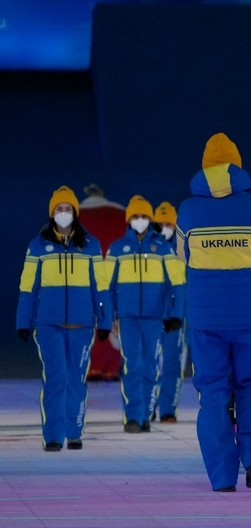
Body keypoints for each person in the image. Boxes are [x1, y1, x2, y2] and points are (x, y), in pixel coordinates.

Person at [175, 132, 251, 491]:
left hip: (207, 318)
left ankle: (222, 477)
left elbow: (184, 256)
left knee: (212, 392)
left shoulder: (188, 210)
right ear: (237, 165)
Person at [16, 185, 112, 451]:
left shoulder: (91, 245)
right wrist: (23, 321)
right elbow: (28, 287)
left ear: (75, 213)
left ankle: (75, 431)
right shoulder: (37, 245)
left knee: (75, 379)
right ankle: (54, 436)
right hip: (48, 326)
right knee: (56, 378)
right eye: (59, 209)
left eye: (68, 209)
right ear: (52, 213)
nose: (63, 213)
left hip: (81, 326)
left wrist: (104, 321)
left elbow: (100, 287)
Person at [105, 195, 185, 433]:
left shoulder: (161, 248)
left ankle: (145, 415)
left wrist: (175, 314)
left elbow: (177, 284)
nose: (140, 220)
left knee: (150, 367)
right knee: (132, 365)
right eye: (136, 216)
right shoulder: (118, 248)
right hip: (128, 318)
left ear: (150, 220)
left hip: (154, 318)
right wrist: (109, 318)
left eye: (144, 217)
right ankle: (133, 417)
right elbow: (106, 285)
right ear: (129, 219)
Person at [151, 201, 189, 422]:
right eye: (162, 223)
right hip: (152, 314)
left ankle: (167, 409)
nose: (166, 227)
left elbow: (186, 285)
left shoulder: (184, 250)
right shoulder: (147, 248)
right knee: (149, 362)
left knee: (173, 363)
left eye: (170, 224)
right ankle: (148, 406)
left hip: (177, 317)